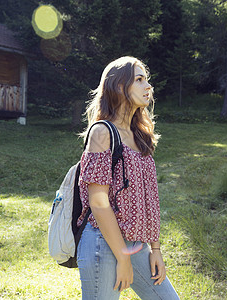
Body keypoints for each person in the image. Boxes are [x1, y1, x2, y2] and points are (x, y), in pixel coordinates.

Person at [76, 56, 180, 300]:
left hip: (136, 244)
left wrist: (155, 249)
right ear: (120, 86)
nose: (148, 86)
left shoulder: (138, 135)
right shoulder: (102, 133)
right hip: (103, 244)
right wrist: (122, 257)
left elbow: (150, 200)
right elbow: (98, 203)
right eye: (140, 80)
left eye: (148, 80)